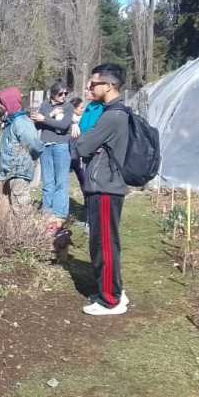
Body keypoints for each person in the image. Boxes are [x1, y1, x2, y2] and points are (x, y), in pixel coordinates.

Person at [75, 63, 132, 316]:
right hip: (104, 184)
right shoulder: (114, 112)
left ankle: (110, 299)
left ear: (108, 86)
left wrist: (83, 141)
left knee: (104, 244)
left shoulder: (112, 116)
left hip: (106, 186)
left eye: (94, 83)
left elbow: (83, 146)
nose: (91, 87)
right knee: (104, 242)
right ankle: (114, 289)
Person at [0, 86, 44, 215]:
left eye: (1, 102)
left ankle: (27, 235)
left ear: (9, 102)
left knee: (21, 210)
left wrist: (26, 160)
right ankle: (14, 235)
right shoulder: (10, 122)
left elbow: (35, 145)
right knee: (11, 211)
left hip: (18, 172)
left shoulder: (21, 122)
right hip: (9, 173)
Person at [31, 81, 74, 224]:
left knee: (61, 181)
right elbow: (37, 124)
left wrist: (45, 119)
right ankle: (47, 211)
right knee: (48, 181)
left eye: (65, 93)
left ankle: (59, 213)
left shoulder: (68, 107)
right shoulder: (44, 105)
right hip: (46, 146)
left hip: (61, 146)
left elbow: (63, 126)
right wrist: (50, 114)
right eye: (60, 94)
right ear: (52, 94)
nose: (63, 96)